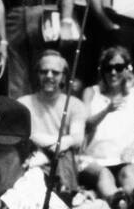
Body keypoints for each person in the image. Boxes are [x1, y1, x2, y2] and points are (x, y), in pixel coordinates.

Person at [80, 47, 134, 209]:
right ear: (101, 70)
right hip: (95, 158)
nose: (113, 72)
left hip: (127, 158)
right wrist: (106, 111)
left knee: (128, 174)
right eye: (108, 68)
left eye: (118, 68)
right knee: (104, 175)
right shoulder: (90, 92)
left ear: (127, 69)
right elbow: (85, 125)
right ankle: (115, 198)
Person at [19, 49, 85, 197]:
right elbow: (27, 135)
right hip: (32, 161)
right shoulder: (23, 103)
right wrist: (54, 144)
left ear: (63, 76)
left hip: (62, 162)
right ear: (37, 74)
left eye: (55, 72)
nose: (49, 76)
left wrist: (59, 145)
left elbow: (77, 138)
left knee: (64, 151)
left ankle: (65, 194)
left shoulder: (75, 104)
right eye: (44, 72)